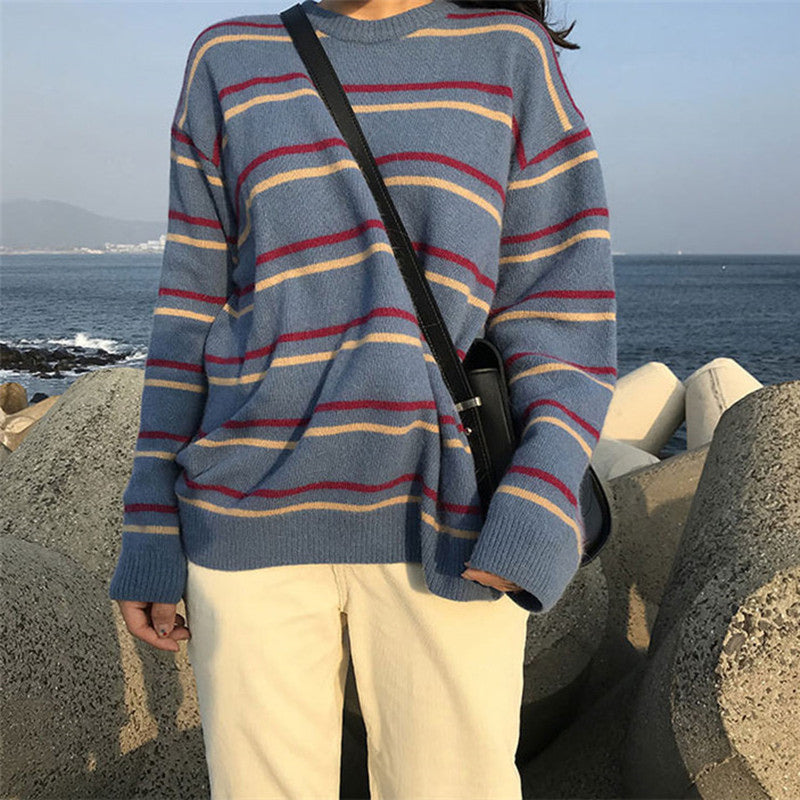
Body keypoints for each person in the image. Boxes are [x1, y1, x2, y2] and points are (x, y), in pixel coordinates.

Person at [109, 0, 617, 797]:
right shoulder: (229, 59)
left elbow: (562, 313)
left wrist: (538, 500)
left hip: (449, 524)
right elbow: (187, 316)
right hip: (244, 518)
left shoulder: (507, 55)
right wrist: (150, 524)